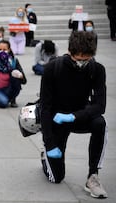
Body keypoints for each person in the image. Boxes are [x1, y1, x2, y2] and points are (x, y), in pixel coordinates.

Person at [39, 31, 108, 199]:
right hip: (57, 119)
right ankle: (45, 156)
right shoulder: (52, 68)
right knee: (56, 178)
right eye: (79, 59)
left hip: (79, 116)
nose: (82, 63)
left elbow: (100, 106)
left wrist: (74, 116)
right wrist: (49, 142)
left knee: (100, 123)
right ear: (70, 52)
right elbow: (45, 108)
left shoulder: (96, 69)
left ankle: (93, 176)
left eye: (87, 59)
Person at [0, 40, 27, 108]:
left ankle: (12, 99)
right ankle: (2, 98)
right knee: (3, 103)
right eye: (0, 49)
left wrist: (20, 75)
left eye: (5, 49)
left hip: (9, 88)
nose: (2, 51)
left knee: (15, 79)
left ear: (9, 50)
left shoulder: (14, 61)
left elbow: (24, 81)